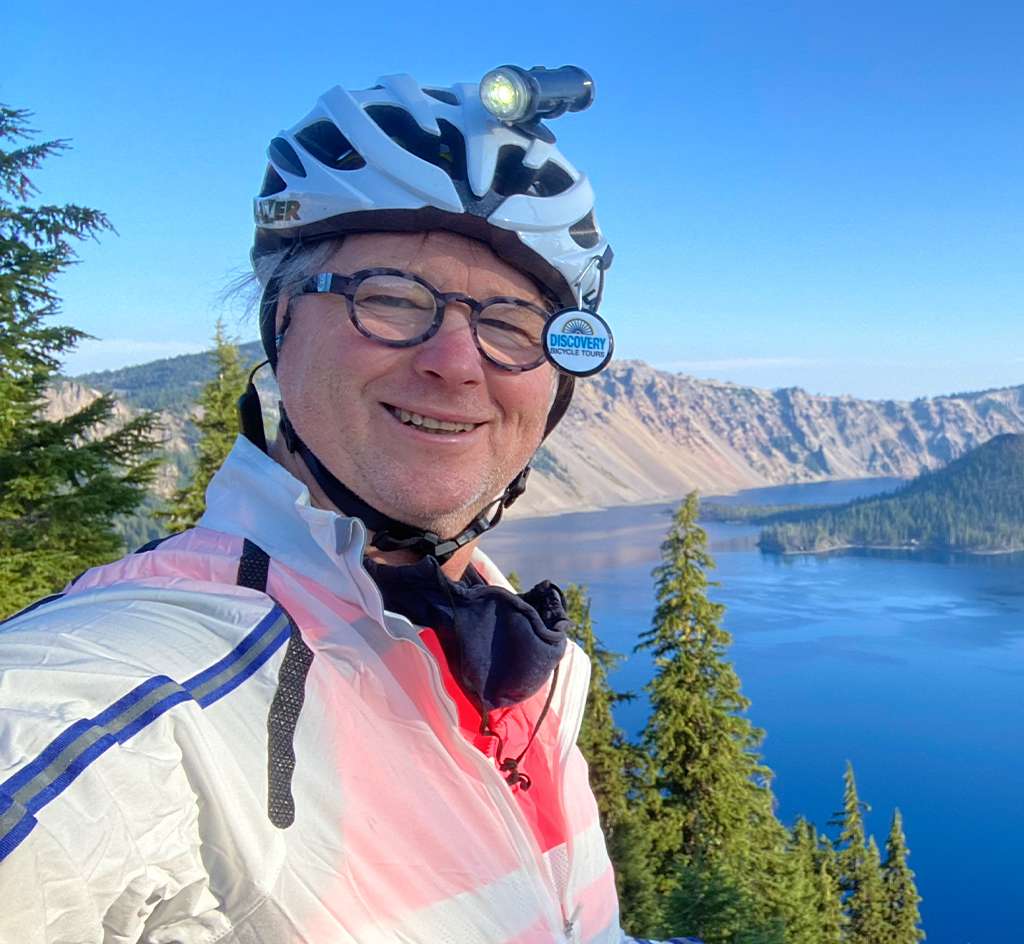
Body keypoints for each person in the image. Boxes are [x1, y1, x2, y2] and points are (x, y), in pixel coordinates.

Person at [0, 70, 698, 943]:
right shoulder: (164, 688)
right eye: (391, 299)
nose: (457, 363)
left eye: (514, 324)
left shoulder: (521, 668)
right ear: (283, 322)